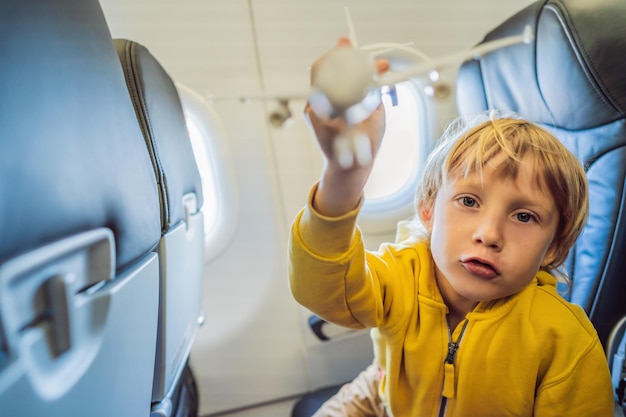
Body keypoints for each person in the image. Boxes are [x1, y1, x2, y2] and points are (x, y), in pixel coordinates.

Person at [288, 39, 615, 417]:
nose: (489, 235)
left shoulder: (565, 341)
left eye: (524, 216)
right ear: (428, 210)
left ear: (555, 246)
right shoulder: (403, 274)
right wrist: (343, 177)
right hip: (383, 395)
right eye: (469, 202)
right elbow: (322, 288)